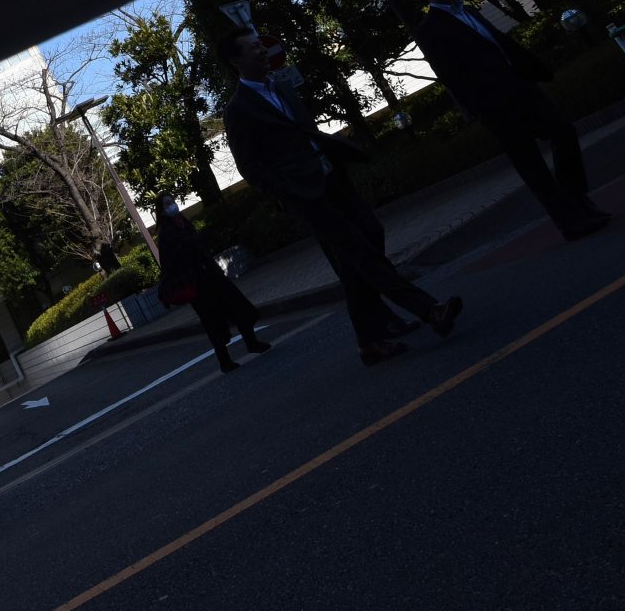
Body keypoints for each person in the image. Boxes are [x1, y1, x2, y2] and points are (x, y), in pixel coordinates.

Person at [219, 25, 462, 366]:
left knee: (366, 244)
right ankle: (430, 310)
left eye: (261, 45)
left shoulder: (281, 87)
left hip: (333, 178)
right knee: (362, 255)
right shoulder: (238, 109)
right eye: (253, 48)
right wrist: (289, 194)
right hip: (307, 195)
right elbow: (250, 166)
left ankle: (369, 341)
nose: (262, 51)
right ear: (236, 62)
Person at [407, 0, 611, 240]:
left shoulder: (467, 10)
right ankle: (570, 221)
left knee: (564, 131)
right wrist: (479, 108)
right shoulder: (430, 28)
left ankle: (576, 198)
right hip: (495, 105)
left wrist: (531, 69)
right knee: (531, 165)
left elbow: (499, 43)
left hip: (521, 88)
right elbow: (450, 74)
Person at [155, 201, 268, 373]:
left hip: (211, 273)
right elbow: (170, 262)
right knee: (212, 321)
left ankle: (251, 342)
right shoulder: (166, 234)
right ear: (161, 211)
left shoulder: (183, 221)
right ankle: (225, 360)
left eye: (172, 201)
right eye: (168, 204)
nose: (173, 206)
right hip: (195, 281)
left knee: (237, 305)